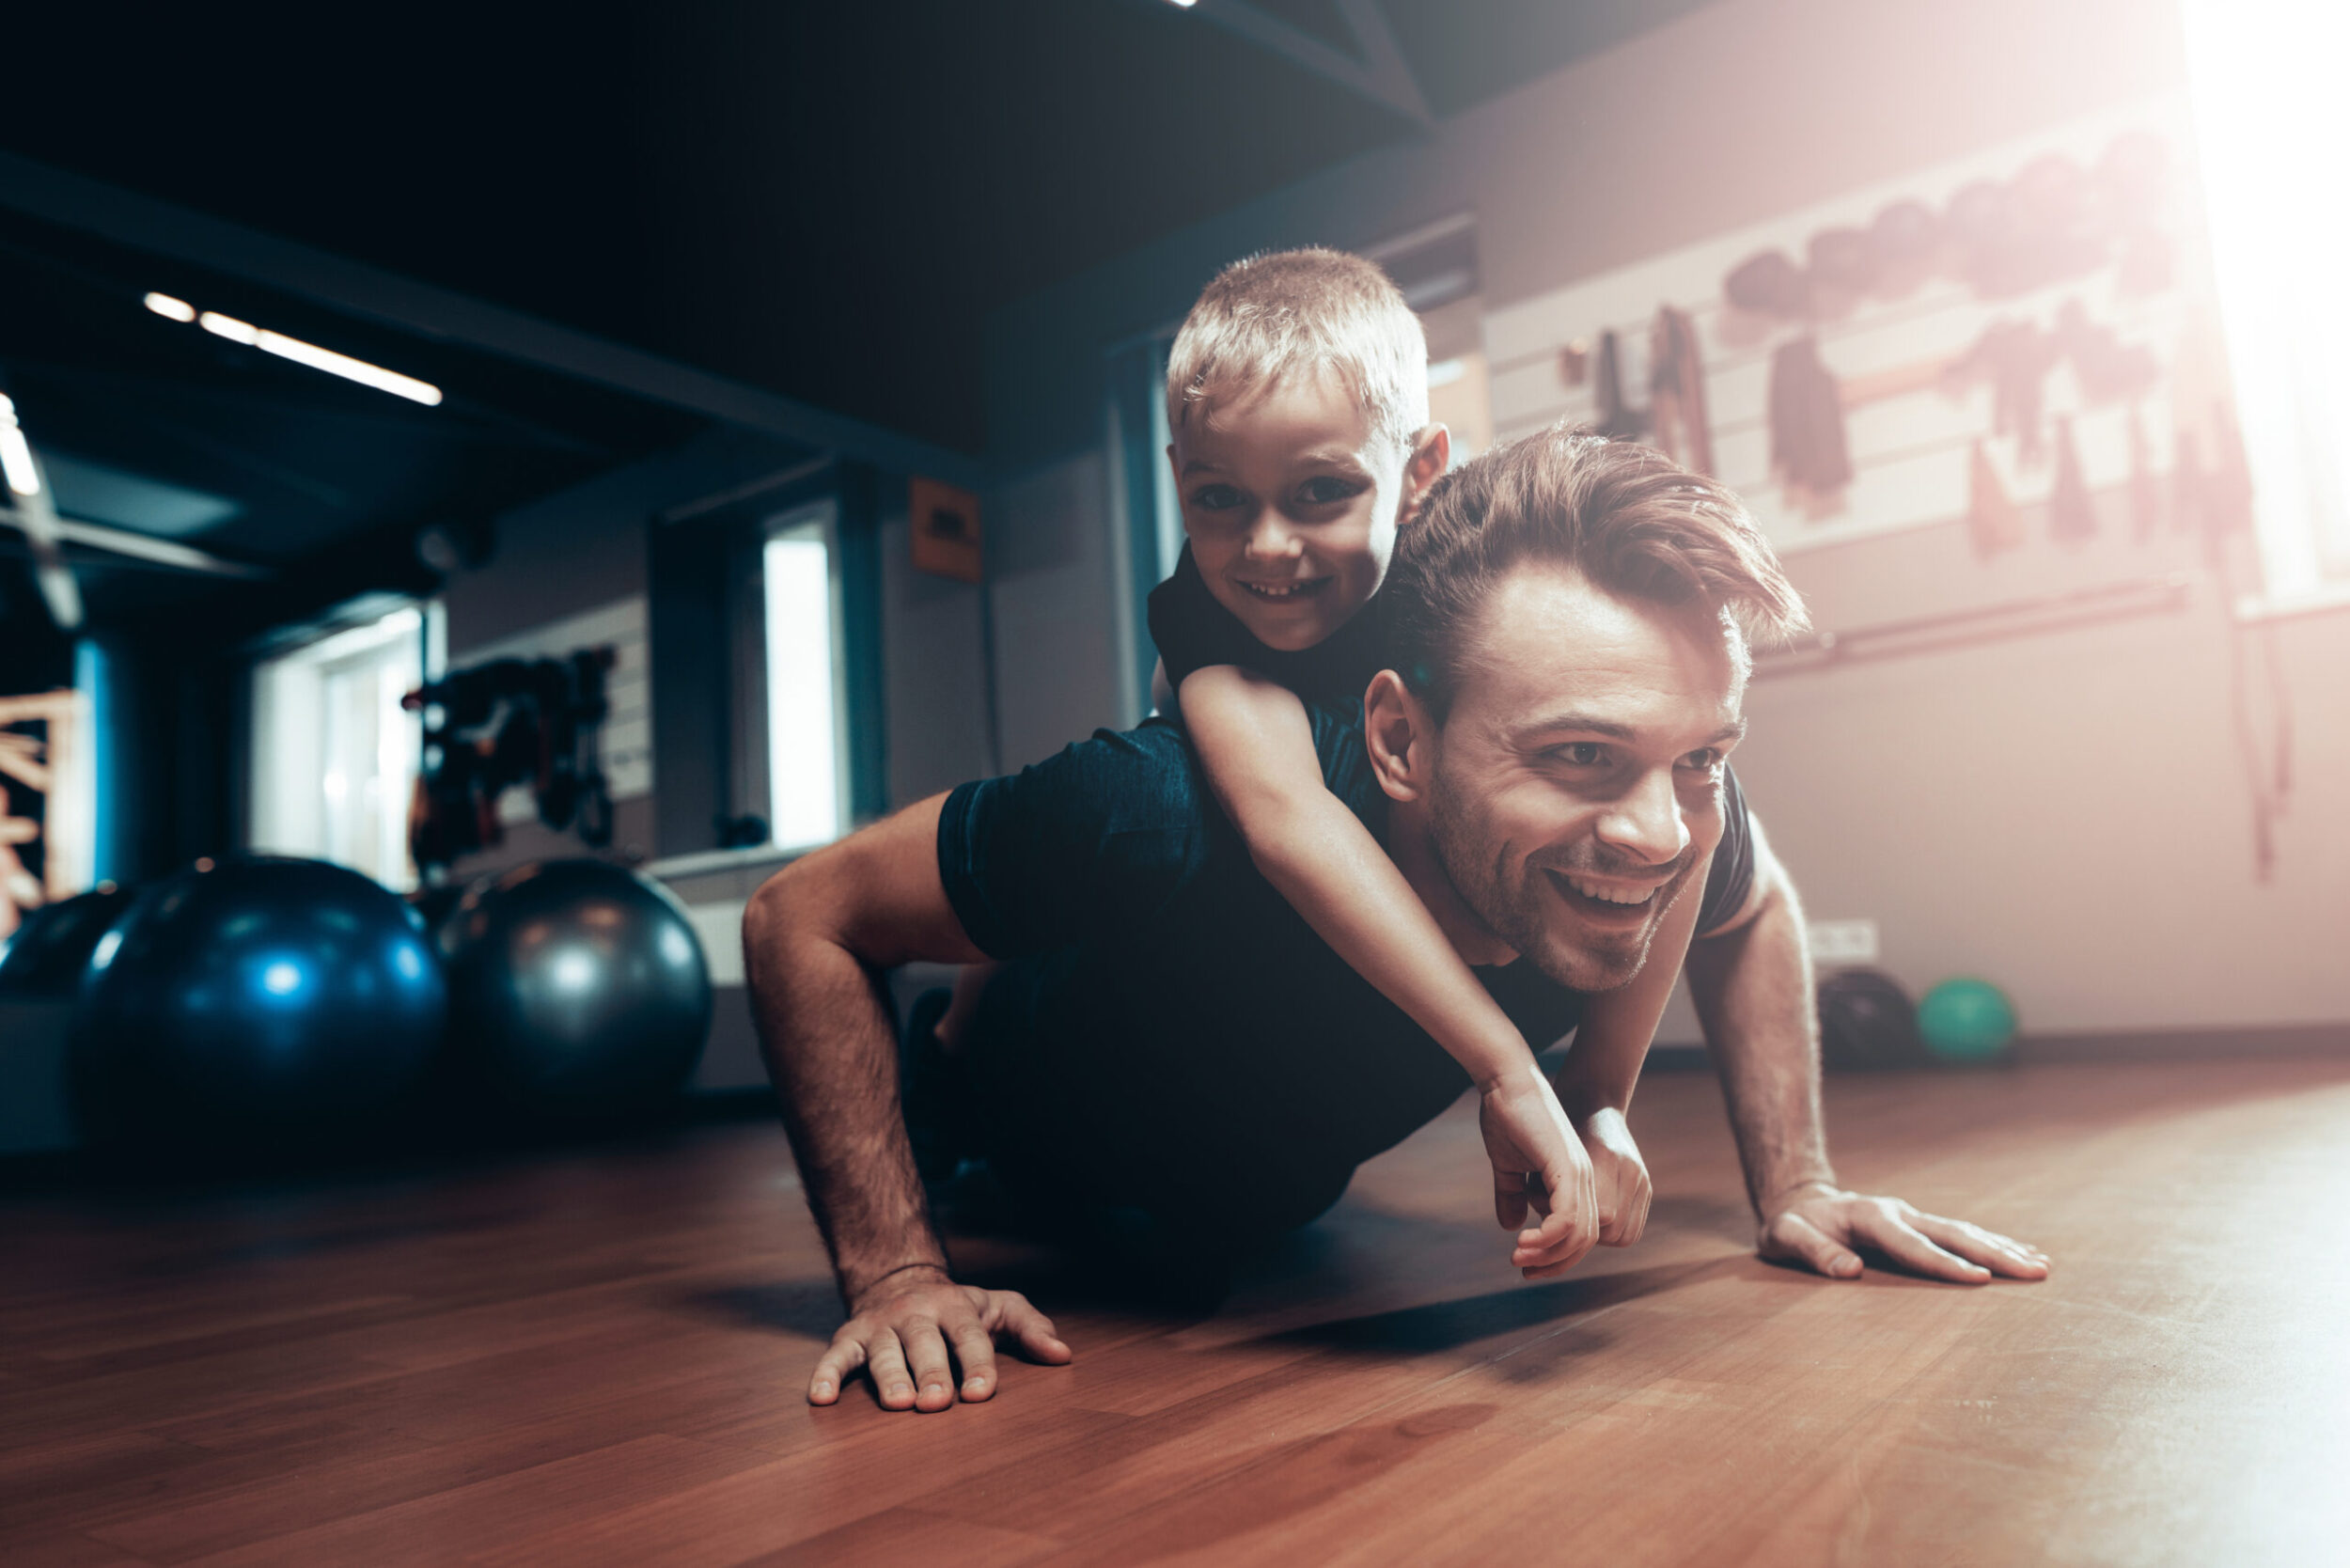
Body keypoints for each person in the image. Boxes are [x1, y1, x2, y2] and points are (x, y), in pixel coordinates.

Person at [743, 425, 2049, 1417]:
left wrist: (1797, 1181)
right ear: (1397, 741)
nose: (1658, 829)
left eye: (1699, 756)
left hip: (1250, 1218)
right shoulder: (1153, 811)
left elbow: (1753, 900)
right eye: (1582, 755)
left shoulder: (1668, 829)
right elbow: (799, 915)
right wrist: (898, 1276)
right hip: (1007, 1148)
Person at [938, 248, 1693, 1272]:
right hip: (1164, 887)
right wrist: (1504, 1068)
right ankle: (954, 1036)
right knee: (1036, 931)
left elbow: (1697, 787)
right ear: (1177, 482)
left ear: (1419, 476)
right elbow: (1288, 822)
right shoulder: (1208, 613)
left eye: (1321, 492)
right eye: (1219, 502)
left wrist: (1598, 1100)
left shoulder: (1458, 575)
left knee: (1253, 1202)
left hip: (1260, 1144)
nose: (1267, 548)